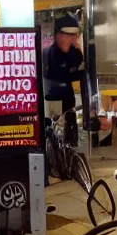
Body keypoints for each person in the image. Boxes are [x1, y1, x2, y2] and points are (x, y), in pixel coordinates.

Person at [43, 14, 84, 146]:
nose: (68, 39)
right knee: (50, 133)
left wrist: (78, 50)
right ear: (57, 35)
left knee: (70, 127)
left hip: (67, 102)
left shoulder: (73, 53)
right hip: (50, 101)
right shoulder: (49, 54)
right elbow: (54, 74)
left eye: (72, 36)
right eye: (65, 35)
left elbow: (77, 64)